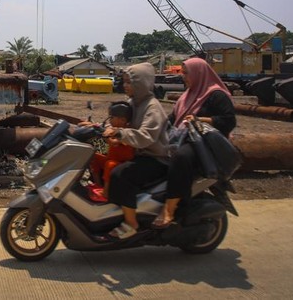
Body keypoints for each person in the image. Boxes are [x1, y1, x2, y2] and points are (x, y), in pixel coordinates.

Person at [151, 57, 237, 229]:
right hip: (185, 138)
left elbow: (229, 121)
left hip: (205, 145)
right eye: (182, 73)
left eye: (186, 73)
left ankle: (169, 209)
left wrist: (202, 120)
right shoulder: (186, 96)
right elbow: (173, 120)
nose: (183, 77)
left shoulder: (216, 95)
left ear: (198, 73)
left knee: (180, 157)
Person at [102, 63, 170, 240]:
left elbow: (146, 136)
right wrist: (102, 127)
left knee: (120, 174)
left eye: (129, 82)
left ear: (141, 83)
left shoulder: (152, 107)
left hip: (155, 158)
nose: (125, 86)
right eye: (124, 82)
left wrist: (119, 133)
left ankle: (132, 223)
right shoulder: (133, 103)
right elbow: (119, 121)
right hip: (136, 153)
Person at [86, 102, 135, 202]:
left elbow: (114, 143)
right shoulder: (113, 128)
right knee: (93, 156)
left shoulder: (127, 132)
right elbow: (103, 128)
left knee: (110, 164)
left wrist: (105, 136)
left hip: (122, 164)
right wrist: (94, 126)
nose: (109, 120)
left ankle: (106, 192)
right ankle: (98, 184)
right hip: (111, 158)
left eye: (112, 117)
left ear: (122, 120)